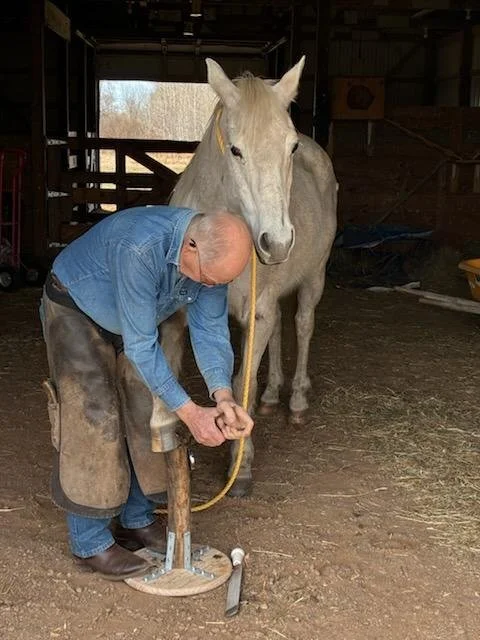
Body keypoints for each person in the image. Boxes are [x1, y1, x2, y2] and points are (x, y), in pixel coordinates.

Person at [40, 205, 254, 581]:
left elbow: (210, 331)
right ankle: (90, 542)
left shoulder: (209, 265)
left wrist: (222, 396)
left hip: (139, 316)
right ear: (189, 246)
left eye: (216, 284)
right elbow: (142, 347)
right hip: (77, 306)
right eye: (205, 279)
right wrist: (192, 412)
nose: (208, 287)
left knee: (150, 409)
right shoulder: (139, 248)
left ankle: (135, 520)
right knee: (94, 412)